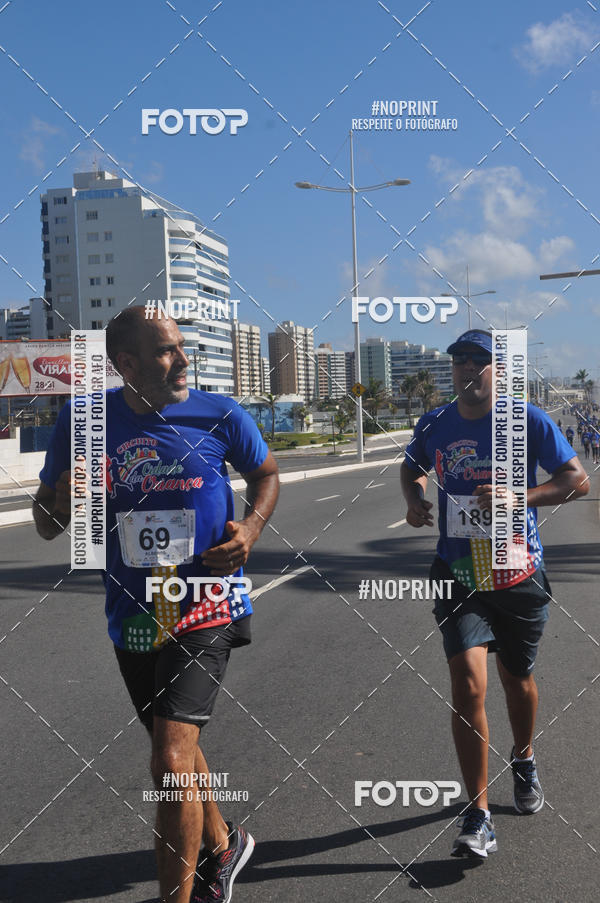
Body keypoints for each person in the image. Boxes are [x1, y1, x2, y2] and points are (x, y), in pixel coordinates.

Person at [33, 308, 280, 903]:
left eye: (182, 347)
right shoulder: (83, 419)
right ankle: (225, 844)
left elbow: (266, 474)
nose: (184, 360)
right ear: (127, 364)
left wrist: (249, 530)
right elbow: (46, 526)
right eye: (168, 351)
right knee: (180, 754)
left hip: (207, 605)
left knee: (169, 760)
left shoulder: (219, 413)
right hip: (136, 617)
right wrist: (64, 494)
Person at [400, 329, 589, 860]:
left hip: (516, 572)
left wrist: (518, 497)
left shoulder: (527, 420)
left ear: (498, 372)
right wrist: (413, 498)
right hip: (458, 572)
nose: (467, 369)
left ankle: (523, 756)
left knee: (517, 679)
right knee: (467, 683)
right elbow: (411, 467)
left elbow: (578, 482)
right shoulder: (435, 423)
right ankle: (478, 814)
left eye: (479, 362)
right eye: (459, 361)